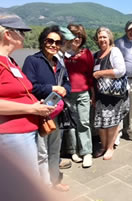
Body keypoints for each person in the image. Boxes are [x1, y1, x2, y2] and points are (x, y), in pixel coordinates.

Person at [0, 14, 55, 177]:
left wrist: (37, 105)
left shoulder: (10, 61)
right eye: (21, 32)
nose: (25, 36)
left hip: (26, 131)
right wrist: (31, 109)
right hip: (13, 135)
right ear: (8, 34)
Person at [22, 25, 71, 192]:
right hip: (40, 113)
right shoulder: (32, 61)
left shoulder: (59, 63)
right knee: (41, 152)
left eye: (57, 42)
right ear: (43, 42)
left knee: (55, 149)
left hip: (57, 113)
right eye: (50, 41)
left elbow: (67, 83)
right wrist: (52, 88)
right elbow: (29, 87)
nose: (53, 45)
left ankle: (55, 180)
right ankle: (45, 187)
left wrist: (65, 89)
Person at [93, 27, 129, 160]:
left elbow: (120, 70)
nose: (102, 39)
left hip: (114, 94)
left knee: (112, 123)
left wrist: (99, 73)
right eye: (100, 37)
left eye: (104, 37)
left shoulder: (114, 51)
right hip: (100, 95)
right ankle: (103, 146)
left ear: (109, 39)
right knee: (101, 123)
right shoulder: (96, 55)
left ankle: (110, 147)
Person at [62, 24, 94, 168]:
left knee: (84, 122)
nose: (77, 39)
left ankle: (87, 152)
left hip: (83, 93)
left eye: (80, 36)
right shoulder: (62, 53)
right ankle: (73, 151)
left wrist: (93, 93)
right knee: (70, 125)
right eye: (74, 35)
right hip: (67, 94)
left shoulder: (86, 53)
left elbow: (90, 75)